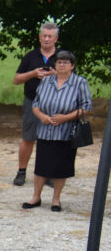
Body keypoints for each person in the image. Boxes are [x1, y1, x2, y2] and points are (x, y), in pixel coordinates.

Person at [23, 50, 91, 212]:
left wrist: (65, 117)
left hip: (66, 132)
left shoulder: (80, 82)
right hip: (45, 130)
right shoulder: (46, 81)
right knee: (41, 166)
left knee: (61, 167)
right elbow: (36, 103)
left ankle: (56, 200)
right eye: (59, 62)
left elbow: (86, 107)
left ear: (72, 66)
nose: (61, 65)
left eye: (65, 63)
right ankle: (36, 197)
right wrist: (42, 116)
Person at [12, 22, 60, 186]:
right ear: (39, 38)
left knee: (52, 140)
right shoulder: (30, 56)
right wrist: (33, 74)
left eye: (50, 36)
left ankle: (48, 173)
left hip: (55, 104)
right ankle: (21, 172)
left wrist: (55, 74)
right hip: (32, 102)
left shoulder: (62, 57)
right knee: (28, 138)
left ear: (56, 39)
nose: (47, 39)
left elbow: (72, 80)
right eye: (44, 36)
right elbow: (16, 79)